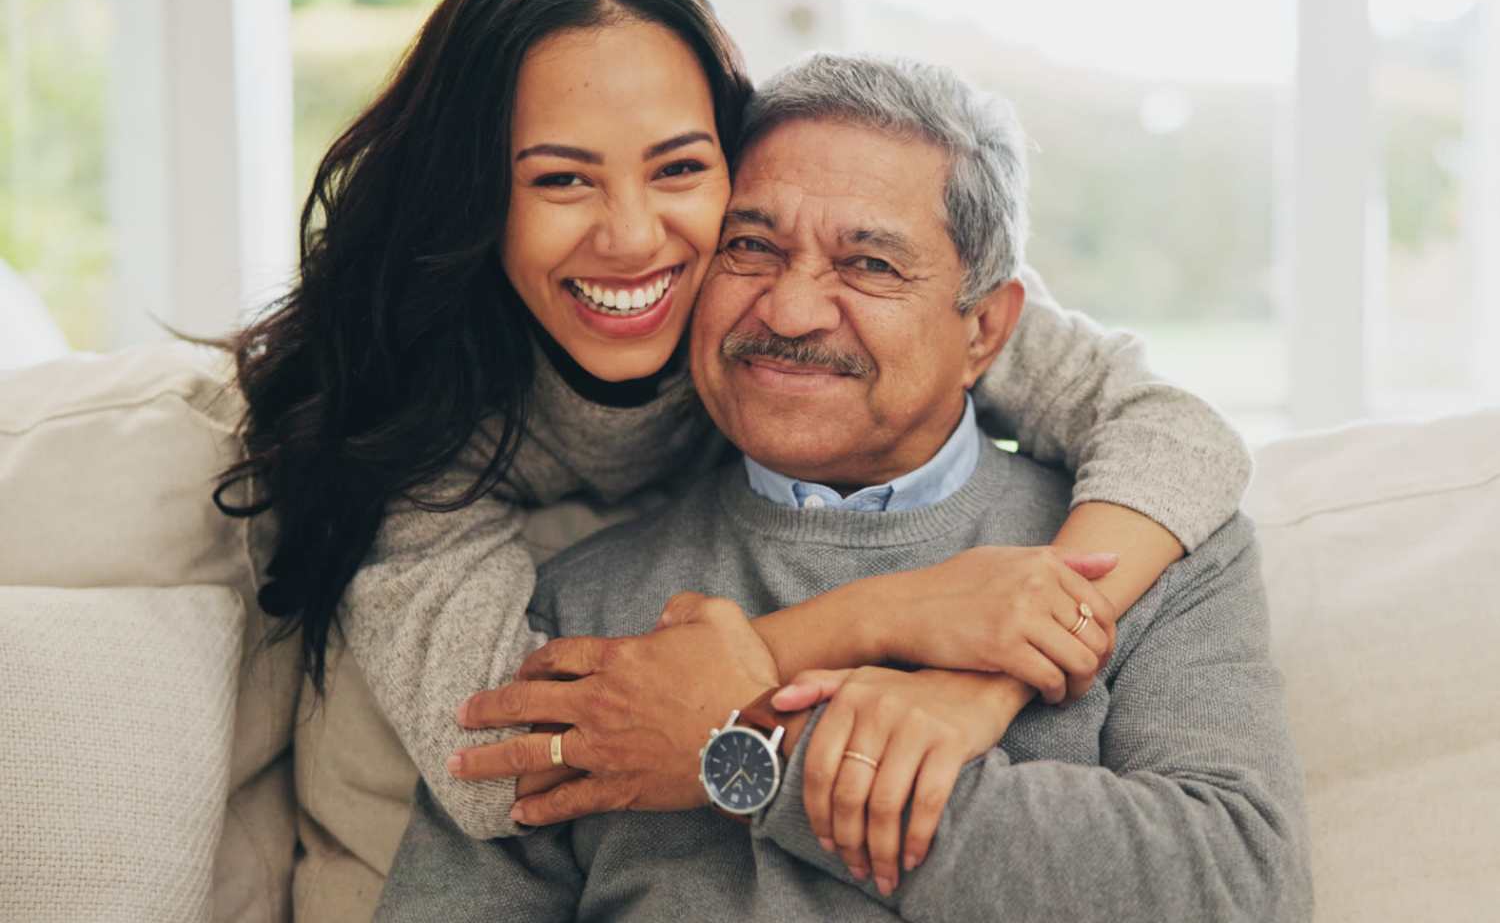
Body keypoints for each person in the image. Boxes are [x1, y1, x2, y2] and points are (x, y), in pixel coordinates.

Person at [216, 0, 1250, 878]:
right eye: (562, 181)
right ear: (479, 196)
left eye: (677, 168)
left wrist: (990, 672)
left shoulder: (826, 282)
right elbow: (508, 763)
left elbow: (1174, 427)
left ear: (733, 160)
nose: (632, 237)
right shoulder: (413, 414)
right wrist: (880, 619)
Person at [376, 52, 1312, 923]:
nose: (788, 309)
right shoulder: (576, 613)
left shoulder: (1151, 544)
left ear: (986, 329)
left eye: (869, 264)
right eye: (751, 246)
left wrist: (756, 758)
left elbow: (1240, 887)